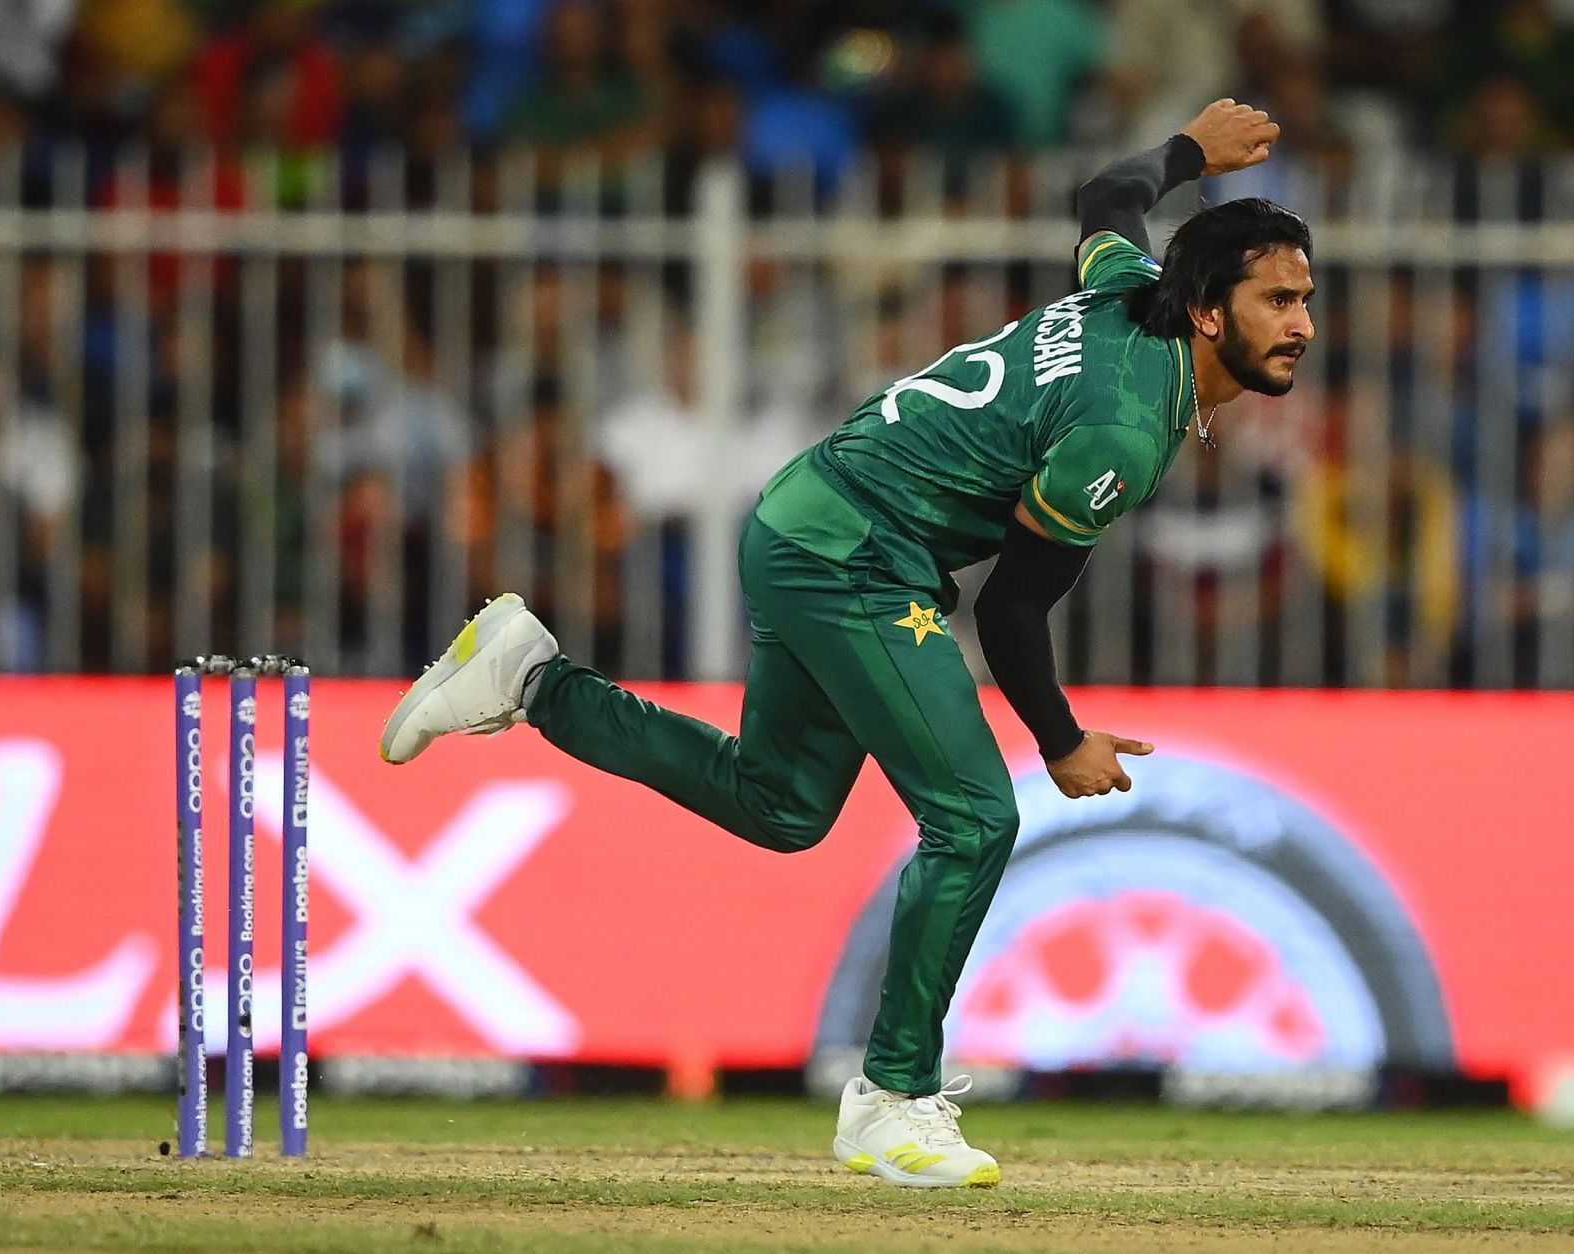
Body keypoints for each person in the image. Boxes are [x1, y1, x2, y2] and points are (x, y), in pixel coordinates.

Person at [378, 99, 1310, 1189]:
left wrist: (1190, 151)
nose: (1300, 323)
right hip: (852, 553)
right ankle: (894, 1101)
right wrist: (1059, 739)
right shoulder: (1125, 429)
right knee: (972, 818)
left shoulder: (1121, 291)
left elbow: (1109, 198)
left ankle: (531, 677)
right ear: (1206, 311)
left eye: (1304, 299)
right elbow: (1011, 611)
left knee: (780, 806)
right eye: (1277, 299)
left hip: (809, 516)